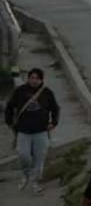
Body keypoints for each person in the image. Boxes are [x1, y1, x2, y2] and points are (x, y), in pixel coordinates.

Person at [4, 67, 60, 195]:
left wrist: (54, 122)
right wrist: (9, 123)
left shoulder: (47, 92)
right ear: (28, 78)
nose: (34, 80)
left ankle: (36, 183)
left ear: (41, 80)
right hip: (23, 131)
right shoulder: (20, 91)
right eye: (31, 77)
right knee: (24, 156)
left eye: (37, 78)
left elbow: (55, 108)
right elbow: (9, 107)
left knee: (39, 159)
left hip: (41, 131)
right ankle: (26, 174)